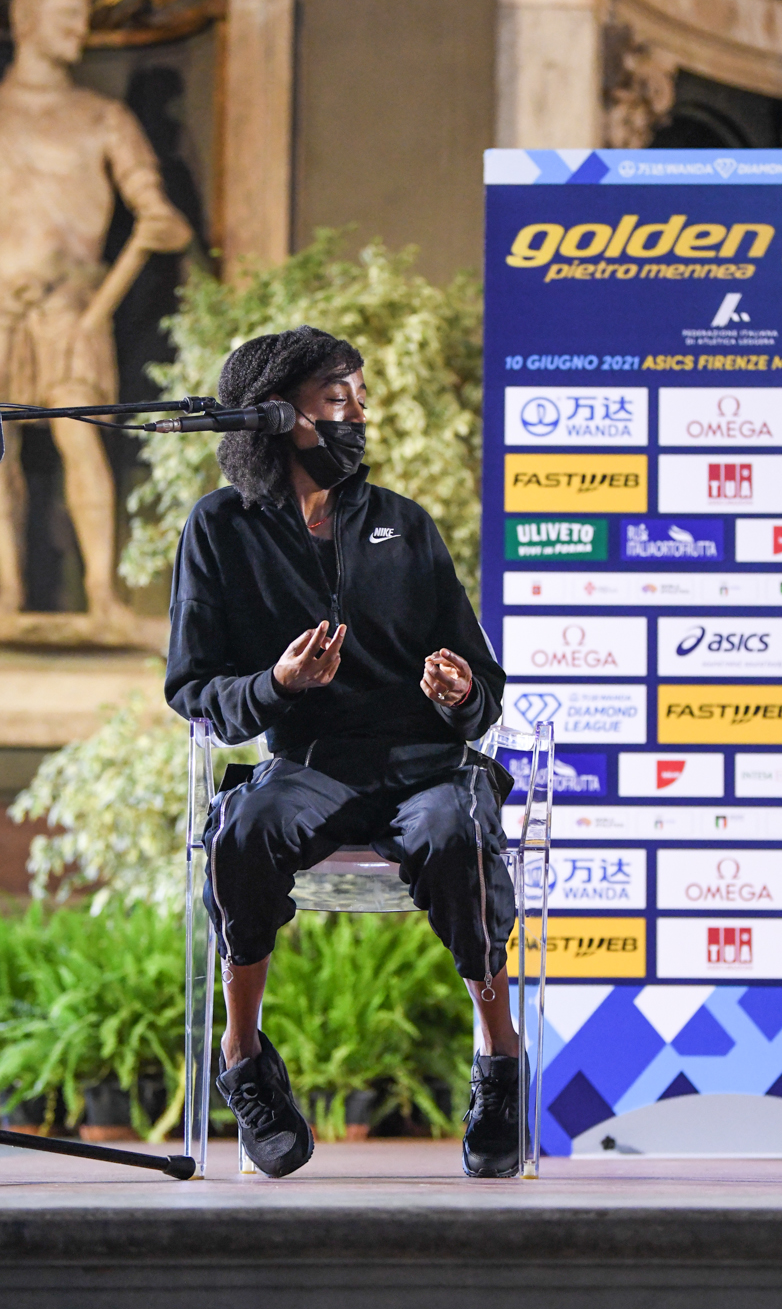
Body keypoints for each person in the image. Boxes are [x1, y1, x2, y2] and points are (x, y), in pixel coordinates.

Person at [166, 326, 520, 1178]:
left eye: (362, 397)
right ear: (276, 413)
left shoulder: (404, 523)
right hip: (309, 766)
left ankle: (499, 1056)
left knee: (457, 834)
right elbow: (193, 687)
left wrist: (459, 693)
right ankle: (244, 1056)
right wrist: (277, 686)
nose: (359, 414)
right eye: (337, 398)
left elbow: (484, 683)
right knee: (242, 832)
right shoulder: (219, 528)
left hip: (423, 767)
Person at [0, 0, 191, 622]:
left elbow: (159, 215)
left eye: (83, 15)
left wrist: (151, 230)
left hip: (73, 308)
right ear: (25, 22)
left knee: (81, 440)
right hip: (3, 307)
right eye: (66, 16)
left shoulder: (103, 118)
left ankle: (102, 595)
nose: (80, 29)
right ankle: (7, 593)